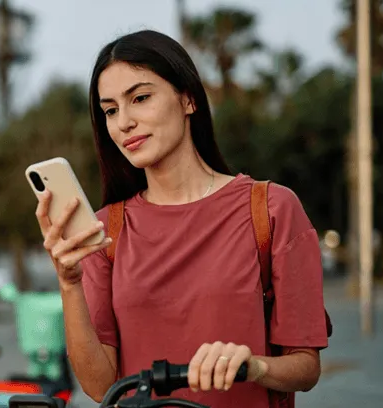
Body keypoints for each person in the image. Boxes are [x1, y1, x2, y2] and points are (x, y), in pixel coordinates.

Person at [33, 30, 329, 408]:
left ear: (188, 98)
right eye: (110, 110)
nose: (124, 122)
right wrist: (69, 283)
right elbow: (99, 386)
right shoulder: (104, 230)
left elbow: (306, 368)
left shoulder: (271, 209)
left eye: (140, 98)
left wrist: (253, 366)